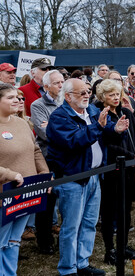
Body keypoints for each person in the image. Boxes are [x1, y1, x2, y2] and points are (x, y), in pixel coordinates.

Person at [47, 78, 129, 275]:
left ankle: (82, 263)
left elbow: (106, 129)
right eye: (81, 92)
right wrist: (99, 128)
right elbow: (74, 141)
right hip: (72, 178)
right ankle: (68, 269)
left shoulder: (92, 111)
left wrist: (116, 129)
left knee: (89, 223)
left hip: (94, 176)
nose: (87, 95)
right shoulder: (59, 117)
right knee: (71, 227)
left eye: (88, 91)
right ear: (68, 96)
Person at [0, 84, 49, 276]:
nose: (18, 101)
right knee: (2, 240)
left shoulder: (21, 123)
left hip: (26, 193)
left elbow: (35, 150)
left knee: (14, 240)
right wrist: (9, 174)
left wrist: (44, 174)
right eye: (11, 97)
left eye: (18, 97)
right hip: (5, 194)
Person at [93, 79, 135, 264]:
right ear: (102, 97)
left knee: (126, 209)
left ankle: (123, 246)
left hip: (129, 167)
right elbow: (109, 144)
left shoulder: (127, 111)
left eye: (117, 94)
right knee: (109, 211)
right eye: (111, 95)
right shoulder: (100, 115)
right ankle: (110, 250)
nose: (115, 98)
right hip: (111, 168)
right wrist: (132, 156)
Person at [30, 69, 64, 254]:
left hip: (67, 157)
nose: (61, 85)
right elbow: (45, 133)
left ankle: (64, 238)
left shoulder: (67, 102)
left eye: (62, 81)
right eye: (57, 83)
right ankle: (44, 241)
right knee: (46, 201)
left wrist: (55, 127)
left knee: (66, 198)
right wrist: (66, 131)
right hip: (48, 157)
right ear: (46, 87)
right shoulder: (38, 105)